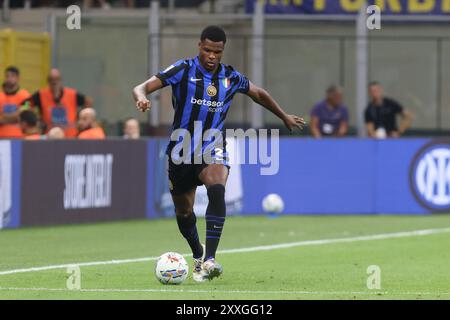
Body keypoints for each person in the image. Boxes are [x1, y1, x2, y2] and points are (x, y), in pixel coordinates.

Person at [132, 26, 305, 282]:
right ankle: (199, 254)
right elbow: (141, 87)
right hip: (181, 150)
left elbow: (258, 94)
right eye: (207, 50)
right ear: (199, 46)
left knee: (216, 187)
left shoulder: (230, 77)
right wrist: (141, 97)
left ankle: (210, 259)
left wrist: (284, 116)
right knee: (184, 212)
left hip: (213, 146)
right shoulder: (183, 69)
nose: (212, 56)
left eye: (217, 52)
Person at [25, 68, 93, 138]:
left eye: (57, 79)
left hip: (70, 137)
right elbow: (25, 104)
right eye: (51, 79)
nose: (54, 82)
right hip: (50, 137)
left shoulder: (72, 94)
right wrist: (34, 117)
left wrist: (80, 118)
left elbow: (88, 102)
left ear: (60, 80)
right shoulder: (41, 95)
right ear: (47, 81)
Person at [0, 66, 31, 138]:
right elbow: (17, 116)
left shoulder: (26, 96)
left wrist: (3, 117)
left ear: (18, 78)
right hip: (1, 137)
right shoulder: (0, 96)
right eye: (7, 76)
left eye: (12, 76)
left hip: (19, 137)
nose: (9, 79)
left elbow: (23, 115)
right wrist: (14, 117)